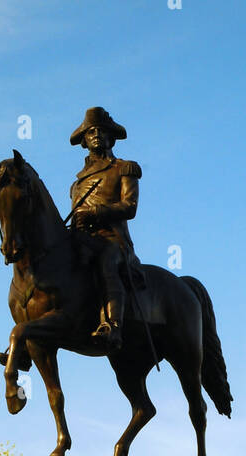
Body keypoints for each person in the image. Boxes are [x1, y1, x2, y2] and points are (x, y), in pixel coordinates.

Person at [69, 106, 143, 351]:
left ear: (111, 137)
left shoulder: (124, 168)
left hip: (113, 241)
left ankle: (113, 326)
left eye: (101, 131)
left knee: (106, 261)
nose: (97, 135)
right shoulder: (77, 183)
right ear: (85, 140)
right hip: (83, 240)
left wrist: (96, 212)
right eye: (91, 132)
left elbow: (129, 207)